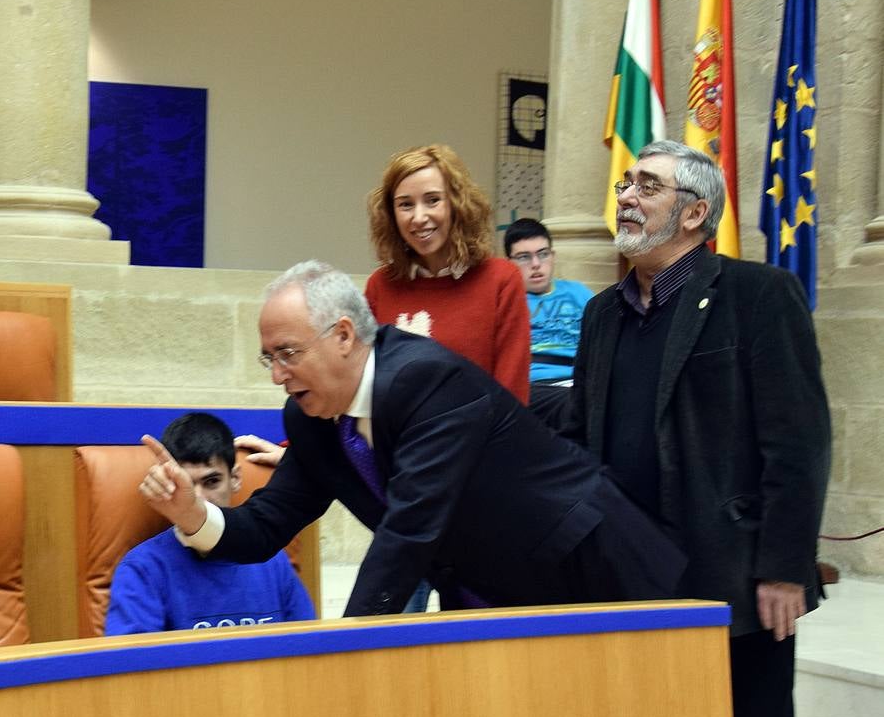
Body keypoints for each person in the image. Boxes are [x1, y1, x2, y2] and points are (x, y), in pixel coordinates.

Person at [562, 140, 830, 717]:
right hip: (630, 583)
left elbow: (797, 443)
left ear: (693, 212)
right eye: (625, 181)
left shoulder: (757, 294)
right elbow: (581, 440)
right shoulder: (600, 316)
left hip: (736, 585)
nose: (625, 194)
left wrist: (782, 567)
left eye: (646, 185)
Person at [138, 260, 686, 617]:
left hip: (597, 569)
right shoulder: (309, 418)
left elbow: (410, 527)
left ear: (345, 336)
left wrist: (349, 644)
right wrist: (193, 515)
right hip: (494, 593)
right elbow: (264, 526)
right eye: (269, 358)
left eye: (288, 353)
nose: (277, 375)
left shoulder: (425, 379)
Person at [105, 413, 315, 635]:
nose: (197, 499)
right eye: (184, 483)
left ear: (234, 479)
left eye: (211, 482)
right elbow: (134, 666)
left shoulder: (272, 559)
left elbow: (309, 648)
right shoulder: (142, 569)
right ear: (166, 484)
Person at [365, 144, 530, 404]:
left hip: (478, 438)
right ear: (391, 214)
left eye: (432, 200)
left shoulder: (501, 279)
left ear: (457, 204)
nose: (419, 217)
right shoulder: (380, 285)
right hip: (398, 439)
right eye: (405, 204)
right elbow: (358, 386)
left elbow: (512, 394)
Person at [504, 217, 596, 427]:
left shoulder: (579, 293)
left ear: (552, 256)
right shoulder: (505, 300)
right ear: (509, 262)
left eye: (543, 254)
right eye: (524, 257)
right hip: (533, 386)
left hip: (580, 381)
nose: (536, 264)